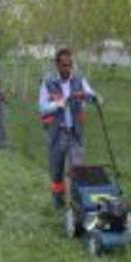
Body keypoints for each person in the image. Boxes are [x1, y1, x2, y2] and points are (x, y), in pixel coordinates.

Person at [38, 48, 101, 210]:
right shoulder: (48, 82)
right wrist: (57, 104)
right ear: (57, 65)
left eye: (70, 65)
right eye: (64, 65)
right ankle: (58, 201)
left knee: (78, 169)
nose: (68, 68)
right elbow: (42, 107)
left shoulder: (79, 79)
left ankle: (77, 204)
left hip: (74, 132)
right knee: (56, 170)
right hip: (57, 133)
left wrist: (95, 98)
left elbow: (89, 92)